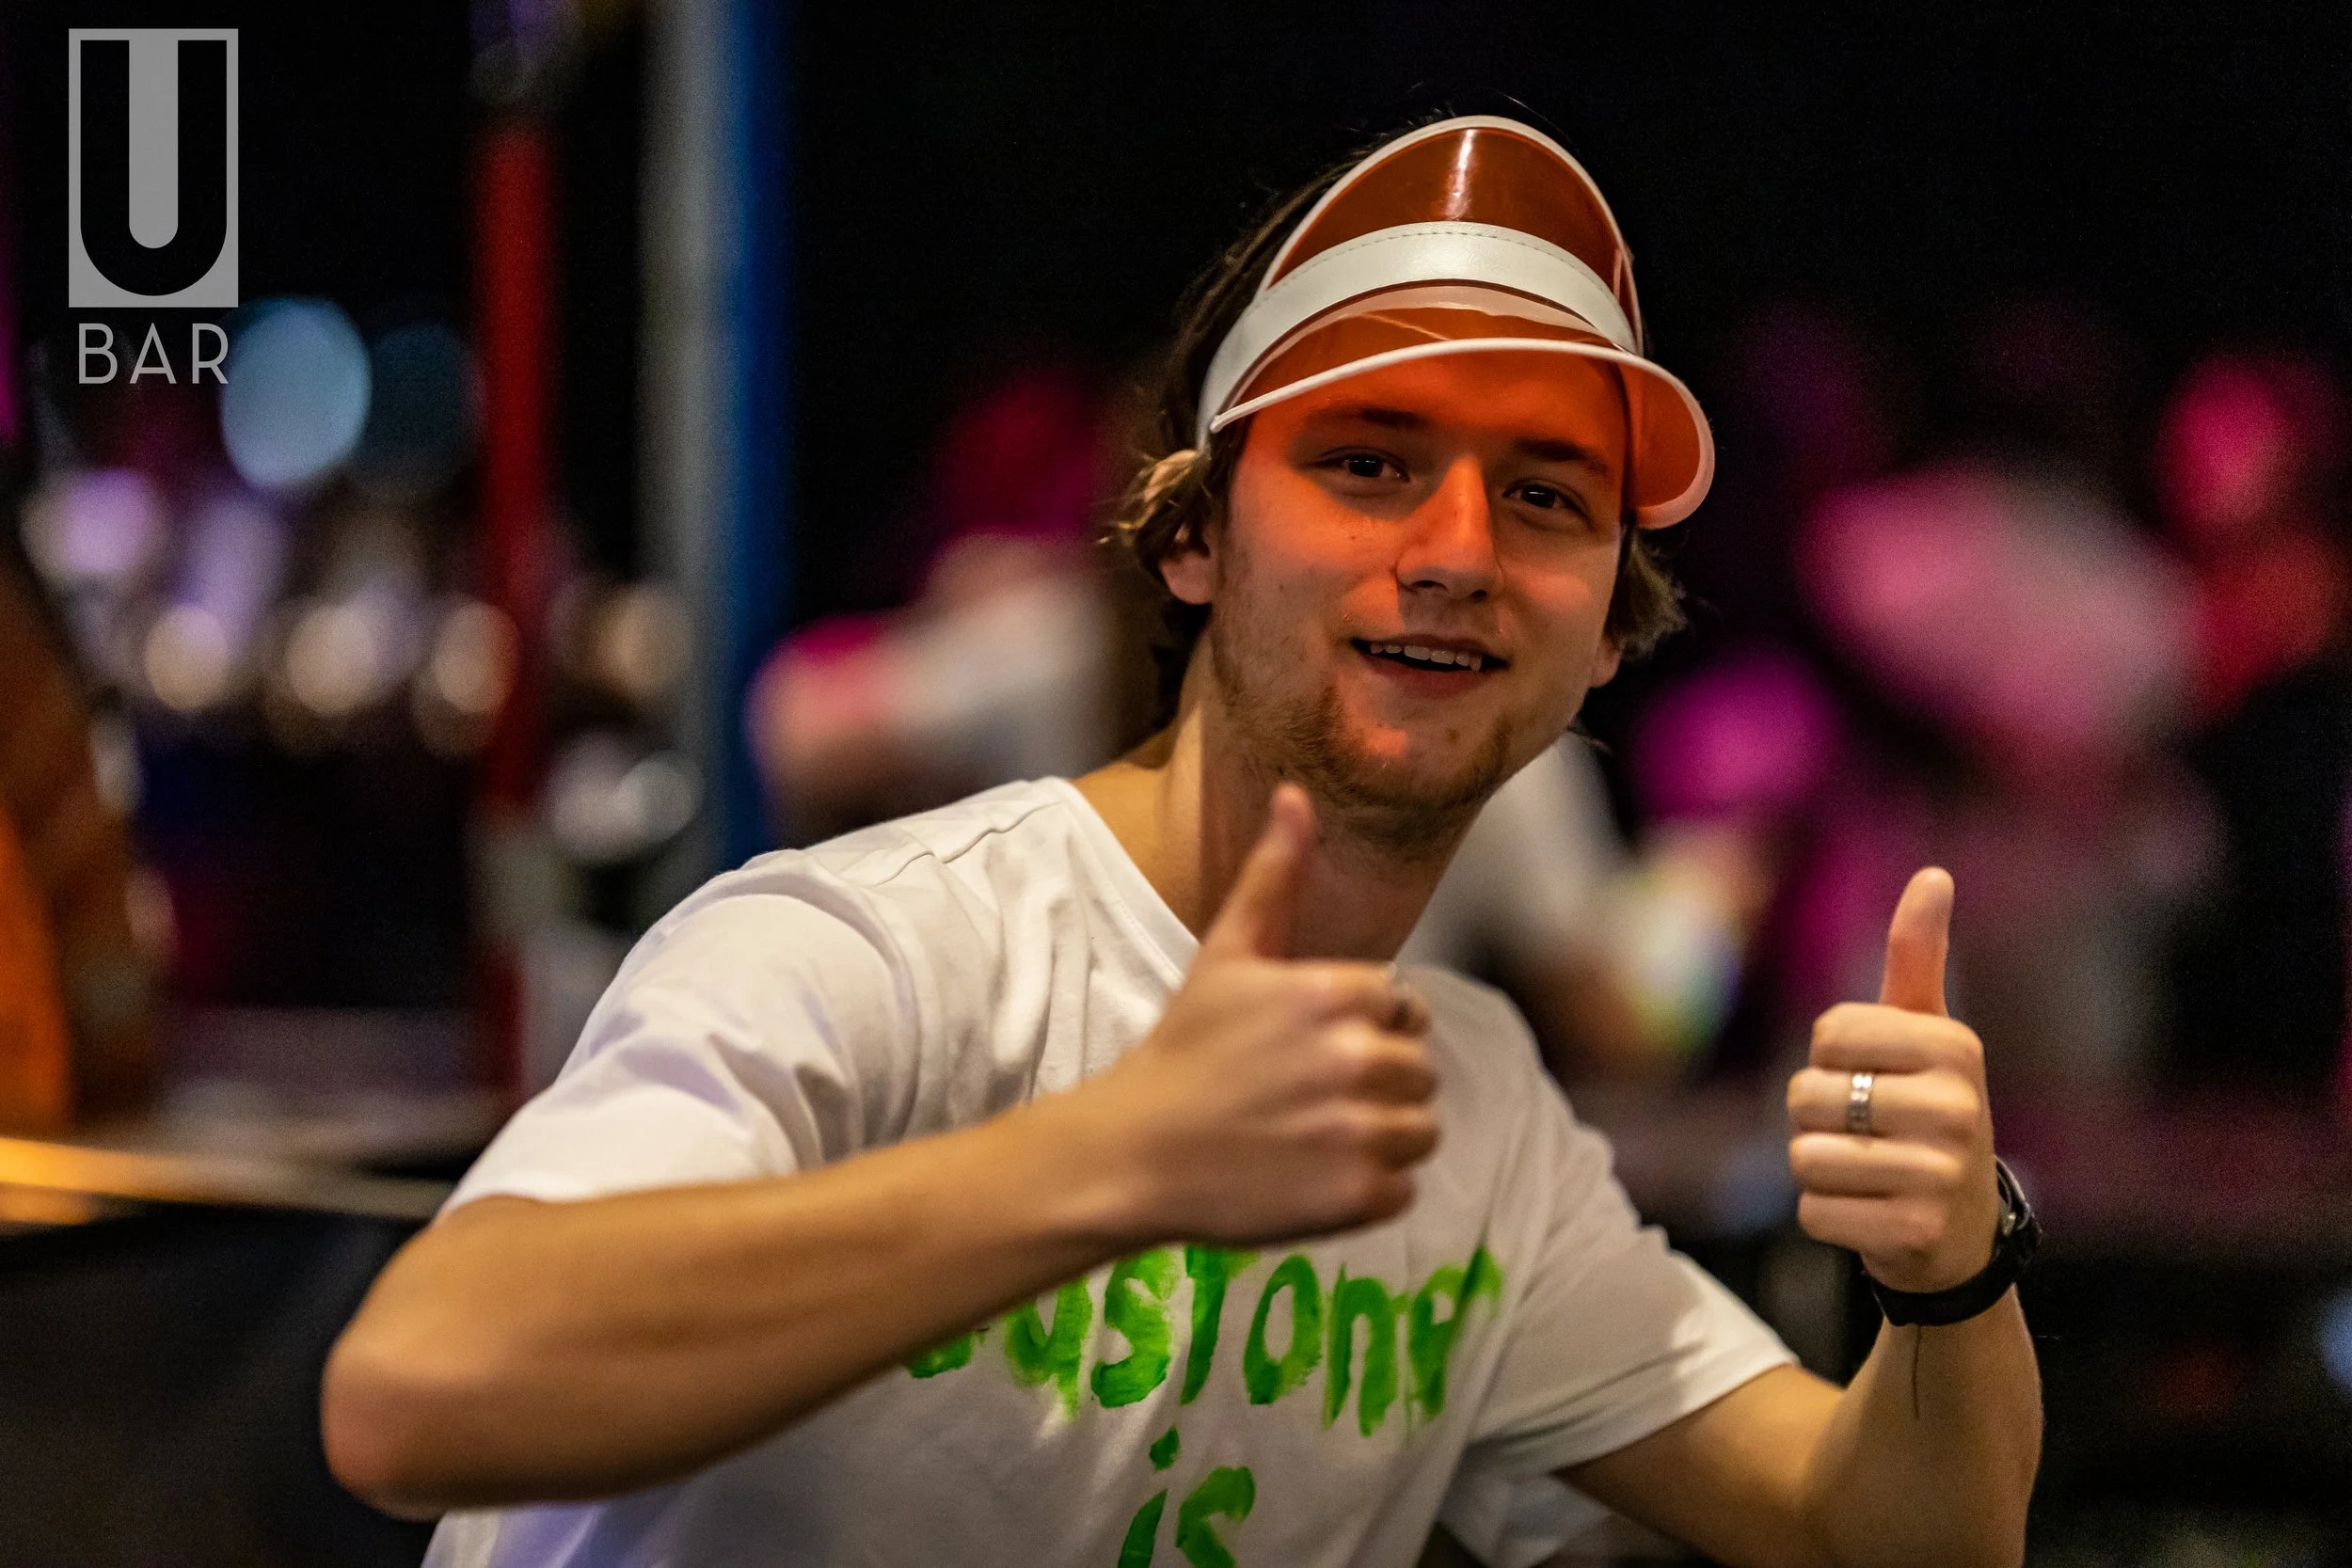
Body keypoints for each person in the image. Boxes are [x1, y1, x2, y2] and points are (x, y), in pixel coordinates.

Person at [323, 116, 2042, 1568]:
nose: (1455, 549)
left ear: (1609, 629)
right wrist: (1115, 1161)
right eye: (1370, 462)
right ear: (1193, 539)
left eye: (1543, 494)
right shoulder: (876, 953)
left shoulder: (1478, 1118)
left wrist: (1955, 1268)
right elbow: (415, 1386)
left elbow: (1878, 1528)